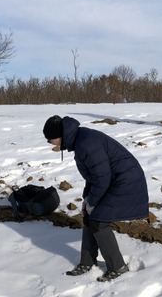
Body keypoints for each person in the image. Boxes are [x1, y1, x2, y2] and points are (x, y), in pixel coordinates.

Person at [42, 115, 149, 282]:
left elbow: (101, 178)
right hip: (114, 180)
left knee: (99, 221)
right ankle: (87, 262)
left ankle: (118, 267)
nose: (49, 142)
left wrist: (92, 201)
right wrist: (87, 200)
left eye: (50, 138)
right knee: (89, 216)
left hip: (126, 182)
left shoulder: (86, 144)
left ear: (60, 135)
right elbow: (94, 176)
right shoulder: (80, 140)